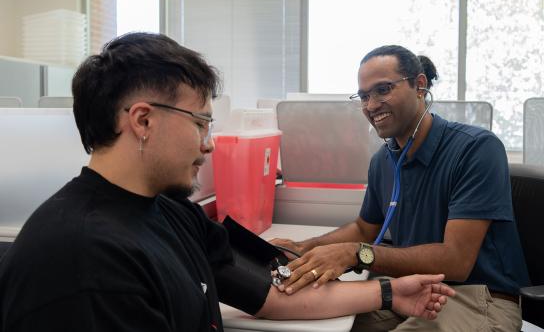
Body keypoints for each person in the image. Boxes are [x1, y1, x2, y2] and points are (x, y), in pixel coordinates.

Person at [0, 35, 454, 332]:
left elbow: (271, 294)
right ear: (142, 120)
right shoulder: (82, 260)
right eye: (201, 123)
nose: (211, 144)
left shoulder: (173, 212)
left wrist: (390, 292)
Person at [271, 45, 530, 332]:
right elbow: (363, 228)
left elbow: (456, 261)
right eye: (364, 96)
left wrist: (356, 254)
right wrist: (303, 248)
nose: (370, 105)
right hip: (412, 290)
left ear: (419, 86)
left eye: (383, 90)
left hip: (478, 297)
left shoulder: (476, 149)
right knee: (316, 320)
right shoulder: (384, 160)